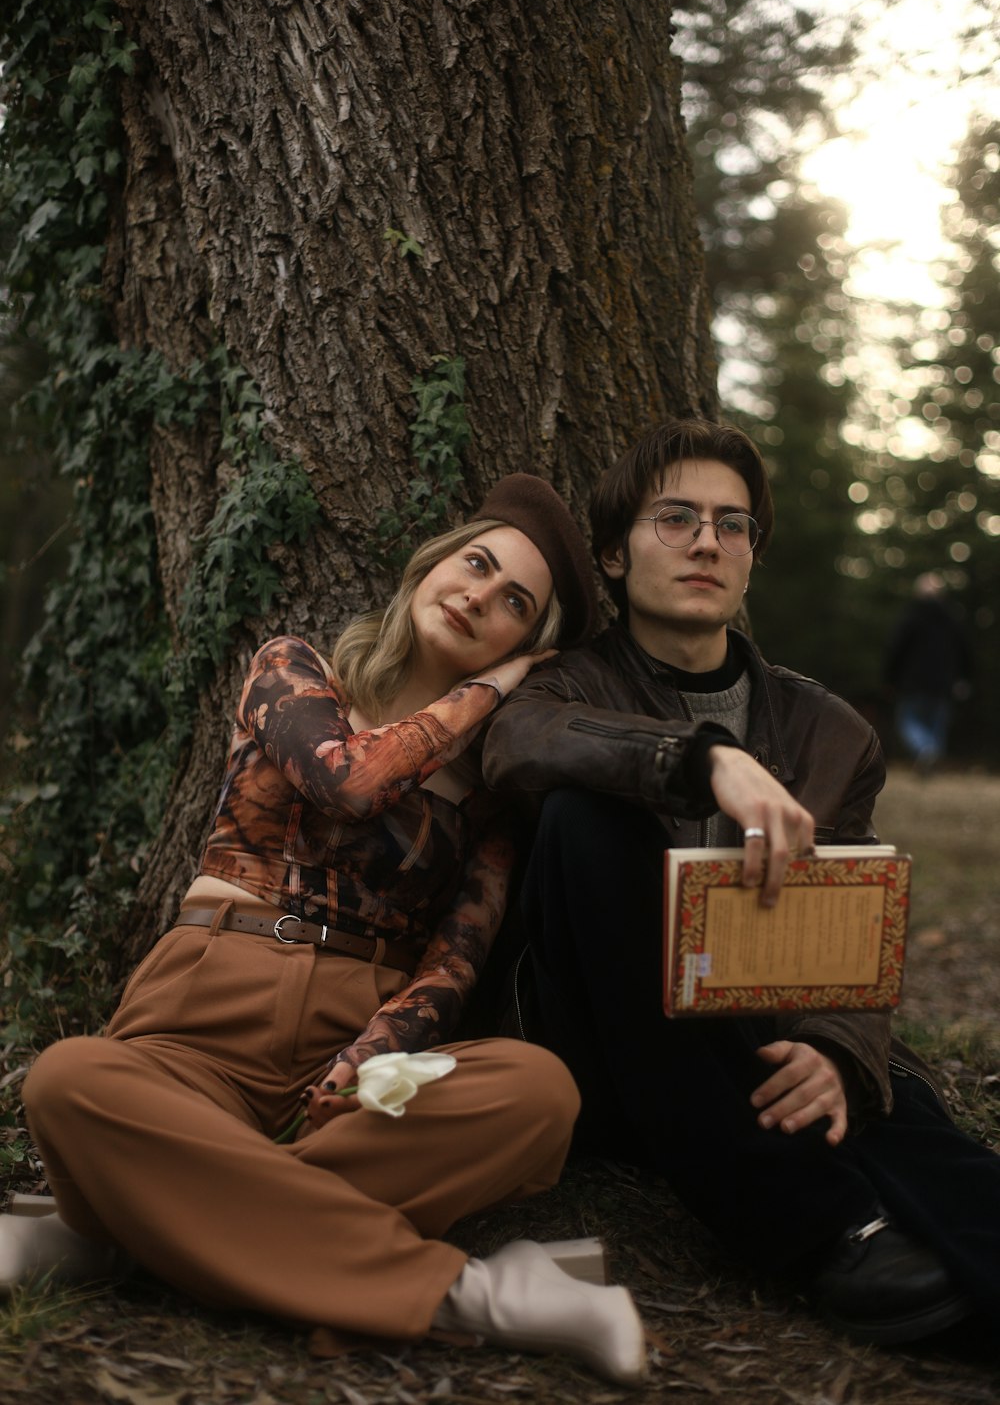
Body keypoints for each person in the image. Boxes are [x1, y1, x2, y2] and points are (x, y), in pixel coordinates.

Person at [1, 474, 647, 1387]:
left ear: (525, 637)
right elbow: (351, 781)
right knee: (70, 1081)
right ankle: (484, 1295)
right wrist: (498, 689)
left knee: (539, 1094)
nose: (479, 597)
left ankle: (122, 1227)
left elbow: (456, 956)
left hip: (352, 1056)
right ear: (430, 567)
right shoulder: (293, 669)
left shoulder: (498, 795)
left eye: (514, 606)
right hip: (201, 1012)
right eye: (476, 563)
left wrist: (384, 1040)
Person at [483, 420, 1000, 1346]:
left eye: (733, 524)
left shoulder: (831, 732)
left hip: (760, 1027)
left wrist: (837, 1048)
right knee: (582, 819)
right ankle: (818, 1226)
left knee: (908, 1122)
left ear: (752, 554)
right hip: (609, 1047)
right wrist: (702, 759)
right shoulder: (555, 687)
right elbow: (521, 750)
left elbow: (850, 919)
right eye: (674, 518)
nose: (707, 543)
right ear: (613, 551)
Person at [884, 571, 972, 772]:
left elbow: (895, 649)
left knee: (908, 722)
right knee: (936, 725)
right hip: (943, 683)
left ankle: (924, 750)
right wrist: (964, 678)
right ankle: (930, 754)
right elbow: (966, 652)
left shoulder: (910, 617)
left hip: (913, 682)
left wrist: (890, 679)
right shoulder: (952, 619)